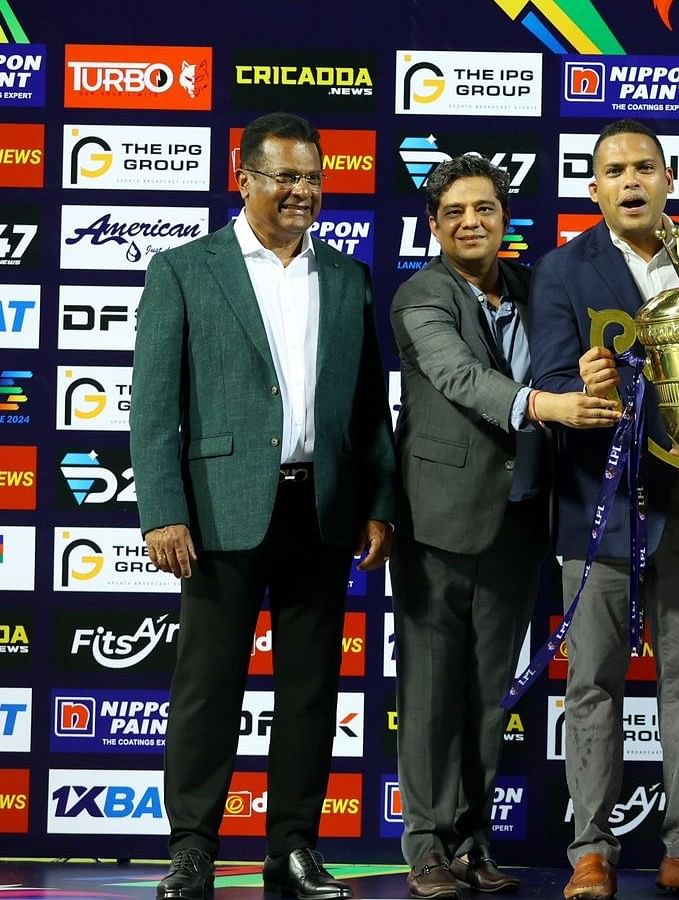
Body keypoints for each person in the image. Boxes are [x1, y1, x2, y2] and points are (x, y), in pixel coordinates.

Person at [131, 112, 396, 900]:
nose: (301, 191)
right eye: (284, 176)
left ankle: (293, 847)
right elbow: (153, 408)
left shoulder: (347, 276)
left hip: (322, 509)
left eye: (312, 177)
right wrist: (162, 510)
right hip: (217, 511)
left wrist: (377, 503)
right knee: (208, 687)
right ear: (241, 179)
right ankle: (192, 849)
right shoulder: (183, 268)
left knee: (310, 689)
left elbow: (366, 409)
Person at [390, 153, 620, 899]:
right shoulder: (422, 294)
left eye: (484, 208)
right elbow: (460, 377)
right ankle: (425, 846)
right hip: (437, 523)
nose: (470, 222)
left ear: (504, 219)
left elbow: (566, 363)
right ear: (435, 225)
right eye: (455, 212)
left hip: (522, 518)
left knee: (488, 695)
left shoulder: (533, 286)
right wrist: (548, 407)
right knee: (431, 692)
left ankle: (470, 841)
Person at [530, 119, 679, 900]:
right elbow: (547, 382)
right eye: (616, 170)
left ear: (669, 178)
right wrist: (586, 390)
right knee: (593, 684)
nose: (632, 181)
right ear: (595, 188)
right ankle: (591, 851)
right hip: (595, 504)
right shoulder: (562, 271)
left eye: (645, 167)